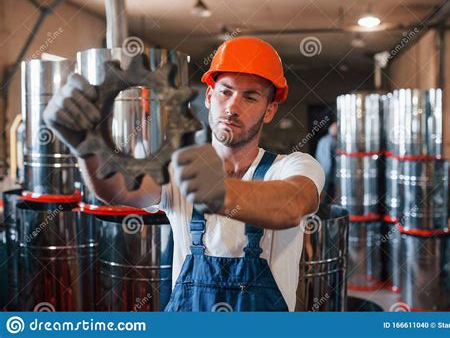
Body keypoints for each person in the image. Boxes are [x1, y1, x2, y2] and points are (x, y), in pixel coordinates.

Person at [43, 36, 325, 312]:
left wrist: (220, 192)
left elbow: (292, 204)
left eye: (250, 97)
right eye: (225, 92)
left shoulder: (293, 166)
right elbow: (117, 190)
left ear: (269, 111)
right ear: (209, 96)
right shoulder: (177, 170)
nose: (232, 107)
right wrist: (85, 147)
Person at [315, 122, 337, 203]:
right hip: (328, 175)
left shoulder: (323, 140)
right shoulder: (331, 142)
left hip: (324, 173)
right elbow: (327, 162)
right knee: (326, 197)